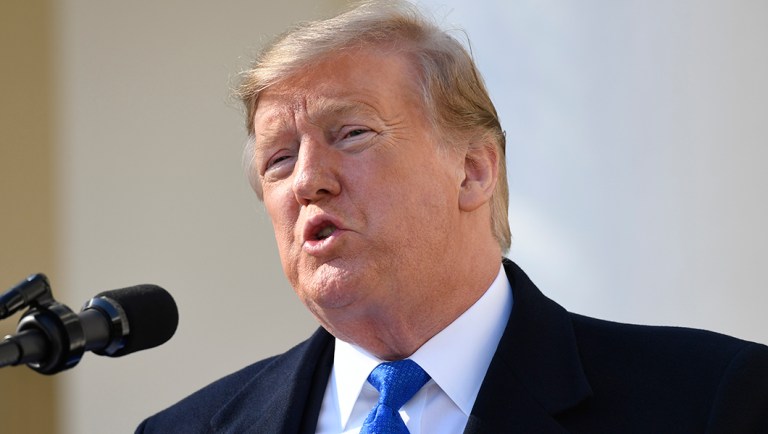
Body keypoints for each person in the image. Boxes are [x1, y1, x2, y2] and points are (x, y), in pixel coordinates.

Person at [137, 1, 768, 433]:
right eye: (279, 160)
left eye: (351, 133)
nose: (306, 180)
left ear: (473, 170)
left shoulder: (704, 400)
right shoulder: (184, 429)